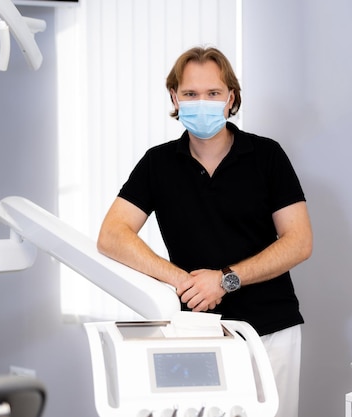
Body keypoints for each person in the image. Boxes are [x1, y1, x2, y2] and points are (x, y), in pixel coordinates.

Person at [97, 46, 312, 417]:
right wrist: (182, 281)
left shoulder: (267, 156)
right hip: (196, 330)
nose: (202, 102)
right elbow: (112, 235)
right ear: (174, 98)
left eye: (212, 93)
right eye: (190, 94)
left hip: (271, 330)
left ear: (231, 98)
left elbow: (299, 241)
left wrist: (225, 280)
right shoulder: (157, 163)